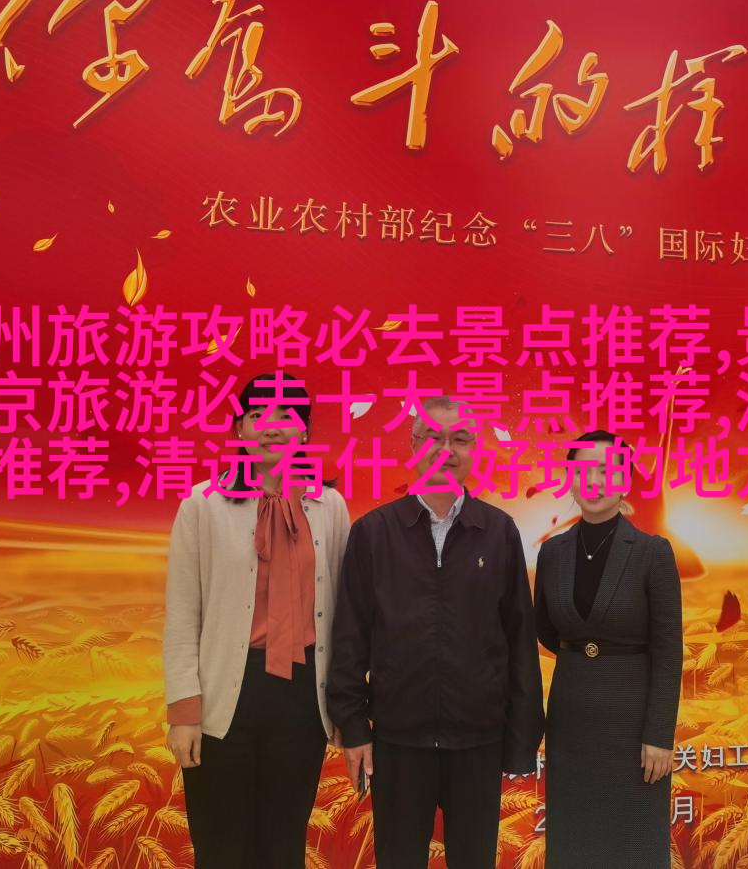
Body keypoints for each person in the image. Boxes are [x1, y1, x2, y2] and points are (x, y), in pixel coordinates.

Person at [329, 396, 544, 869]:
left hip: (478, 741)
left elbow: (519, 641)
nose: (446, 450)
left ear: (474, 450)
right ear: (413, 446)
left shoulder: (498, 531)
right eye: (433, 438)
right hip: (397, 741)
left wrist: (521, 740)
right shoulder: (374, 533)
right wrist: (354, 725)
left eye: (459, 439)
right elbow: (349, 638)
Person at [162, 372, 351, 867]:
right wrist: (184, 714)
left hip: (302, 696)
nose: (272, 426)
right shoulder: (202, 505)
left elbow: (344, 614)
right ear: (239, 429)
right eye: (258, 414)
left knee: (283, 846)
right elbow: (182, 615)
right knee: (221, 847)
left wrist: (345, 704)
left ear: (304, 431)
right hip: (226, 694)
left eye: (287, 415)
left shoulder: (329, 507)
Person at [533, 430, 683, 868]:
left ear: (625, 480)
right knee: (574, 841)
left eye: (606, 470)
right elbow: (547, 631)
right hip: (571, 721)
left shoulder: (653, 552)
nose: (594, 480)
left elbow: (669, 652)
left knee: (633, 842)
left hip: (632, 725)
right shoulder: (553, 553)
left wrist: (659, 735)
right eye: (583, 470)